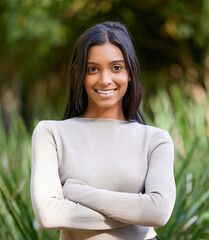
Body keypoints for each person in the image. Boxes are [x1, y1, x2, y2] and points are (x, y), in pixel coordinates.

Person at [31, 22, 176, 240]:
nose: (105, 80)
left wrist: (77, 193)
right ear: (80, 74)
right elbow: (48, 216)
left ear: (129, 73)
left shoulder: (156, 140)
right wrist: (136, 212)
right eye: (93, 69)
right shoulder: (51, 133)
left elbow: (158, 212)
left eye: (116, 67)